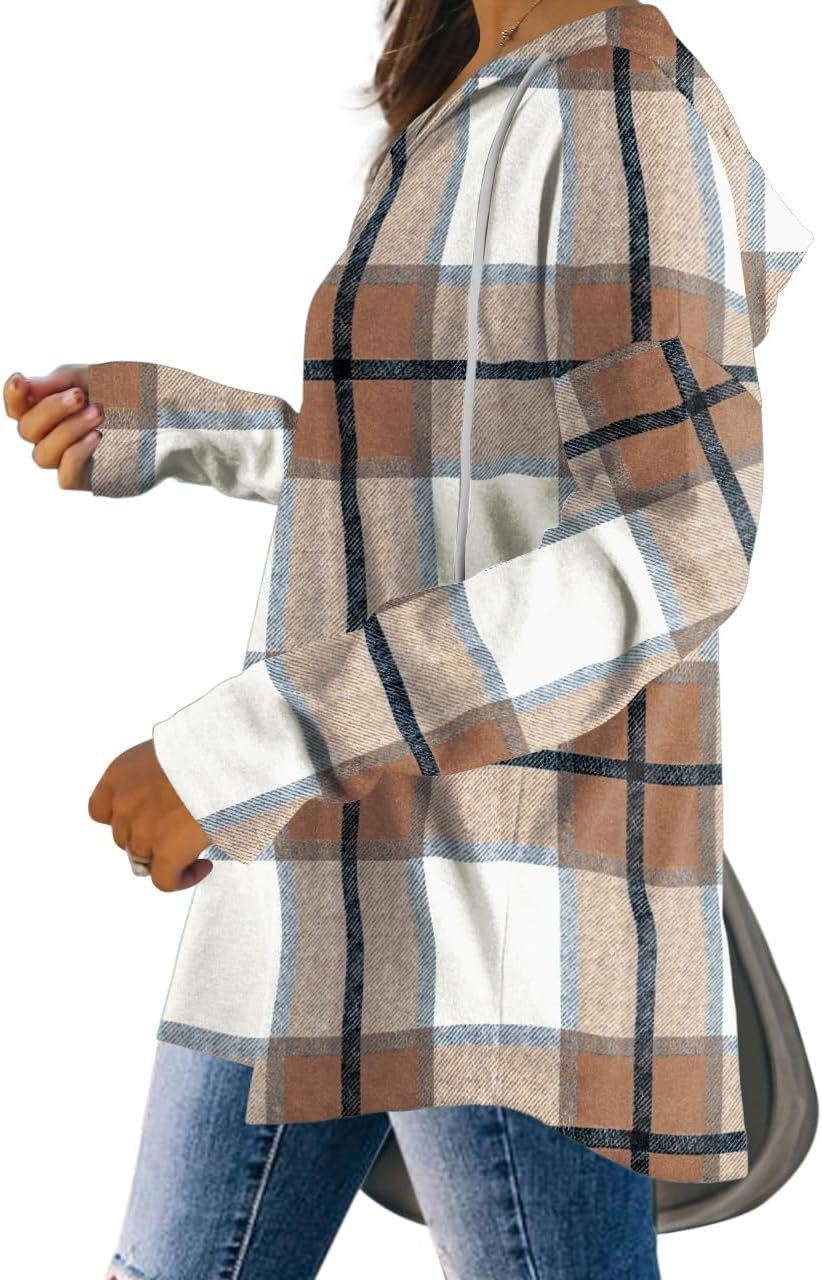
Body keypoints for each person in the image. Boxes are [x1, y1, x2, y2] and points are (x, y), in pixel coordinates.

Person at [4, 0, 812, 1276]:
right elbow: (445, 491)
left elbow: (678, 541)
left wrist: (244, 751)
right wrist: (180, 429)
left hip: (496, 908)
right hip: (338, 863)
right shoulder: (465, 95)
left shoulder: (617, 100)